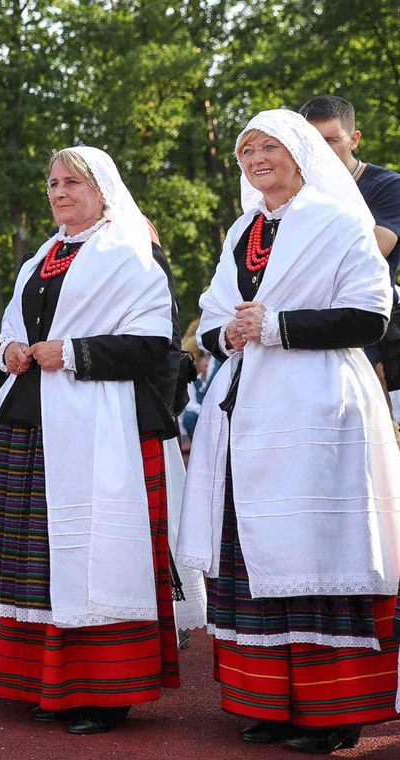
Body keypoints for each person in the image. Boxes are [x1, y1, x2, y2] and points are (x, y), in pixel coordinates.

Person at [178, 109, 400, 754]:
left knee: (319, 548)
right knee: (251, 552)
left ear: (303, 152)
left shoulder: (341, 219)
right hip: (247, 409)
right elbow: (214, 317)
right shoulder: (242, 229)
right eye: (246, 149)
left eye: (269, 145)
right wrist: (230, 334)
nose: (254, 157)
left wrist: (277, 326)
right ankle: (267, 701)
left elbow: (368, 315)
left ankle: (334, 710)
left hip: (320, 407)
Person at [0, 146, 179, 735]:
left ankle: (101, 691)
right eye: (53, 184)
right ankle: (43, 682)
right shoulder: (42, 255)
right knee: (36, 557)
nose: (59, 193)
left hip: (95, 424)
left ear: (104, 189)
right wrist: (11, 349)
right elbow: (16, 321)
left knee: (92, 555)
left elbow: (153, 344)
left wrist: (77, 353)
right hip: (31, 423)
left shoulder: (131, 250)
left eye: (72, 183)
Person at [300, 96, 400, 396]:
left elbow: (371, 250)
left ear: (354, 139)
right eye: (312, 141)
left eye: (331, 140)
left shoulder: (386, 185)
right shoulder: (294, 194)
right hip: (310, 330)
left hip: (374, 331)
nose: (322, 150)